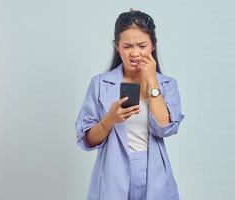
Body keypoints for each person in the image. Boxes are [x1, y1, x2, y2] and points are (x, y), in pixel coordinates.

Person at [75, 9, 184, 200]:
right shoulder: (100, 84)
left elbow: (165, 128)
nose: (135, 53)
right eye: (127, 46)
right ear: (117, 47)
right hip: (112, 173)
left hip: (154, 172)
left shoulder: (167, 84)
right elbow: (87, 140)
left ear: (153, 46)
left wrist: (151, 81)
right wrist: (109, 120)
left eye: (142, 45)